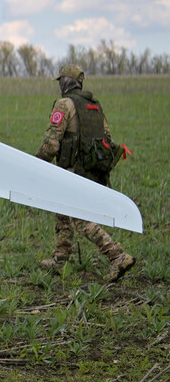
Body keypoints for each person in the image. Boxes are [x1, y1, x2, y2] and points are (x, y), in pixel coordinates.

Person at [36, 64, 135, 282]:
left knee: (79, 218)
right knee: (62, 211)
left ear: (66, 82)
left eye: (61, 80)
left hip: (72, 171)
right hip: (92, 171)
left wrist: (36, 164)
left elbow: (51, 144)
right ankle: (60, 260)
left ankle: (117, 255)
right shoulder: (95, 105)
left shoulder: (64, 104)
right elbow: (107, 138)